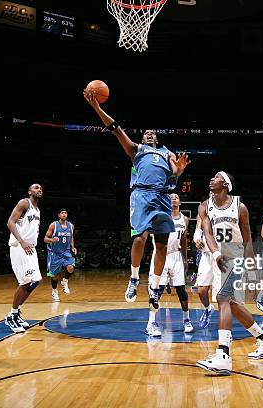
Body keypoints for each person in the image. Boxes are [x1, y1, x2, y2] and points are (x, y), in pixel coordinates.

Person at [84, 89, 190, 337]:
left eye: (153, 131)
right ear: (143, 138)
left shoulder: (167, 153)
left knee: (161, 246)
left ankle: (154, 287)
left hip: (162, 197)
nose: (150, 132)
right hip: (142, 196)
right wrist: (97, 108)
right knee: (140, 238)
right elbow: (115, 128)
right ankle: (133, 278)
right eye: (146, 132)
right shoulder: (136, 150)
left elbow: (174, 174)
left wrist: (180, 170)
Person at [196, 172, 263, 376]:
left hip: (235, 259)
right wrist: (215, 253)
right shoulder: (205, 205)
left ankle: (223, 355)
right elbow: (207, 232)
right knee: (231, 304)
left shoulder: (240, 207)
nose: (211, 179)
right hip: (218, 259)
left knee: (223, 299)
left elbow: (248, 240)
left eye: (215, 177)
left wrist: (252, 276)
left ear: (225, 183)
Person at [146, 193, 193, 335]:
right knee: (156, 292)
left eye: (176, 197)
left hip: (176, 256)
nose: (174, 198)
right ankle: (151, 323)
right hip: (161, 255)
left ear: (180, 202)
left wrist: (185, 259)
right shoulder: (158, 216)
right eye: (171, 197)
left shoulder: (184, 219)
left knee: (181, 290)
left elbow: (184, 240)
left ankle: (186, 320)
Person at [4, 183, 43, 333]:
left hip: (30, 248)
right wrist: (22, 241)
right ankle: (11, 316)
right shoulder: (24, 202)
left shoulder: (37, 209)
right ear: (29, 191)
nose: (39, 190)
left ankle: (16, 311)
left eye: (40, 188)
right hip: (19, 246)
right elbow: (10, 222)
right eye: (36, 188)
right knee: (25, 281)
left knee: (36, 281)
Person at [192, 191, 222, 329]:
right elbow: (198, 226)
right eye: (210, 192)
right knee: (202, 290)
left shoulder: (227, 209)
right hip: (206, 254)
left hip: (222, 255)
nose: (212, 194)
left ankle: (225, 328)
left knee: (222, 296)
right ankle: (208, 308)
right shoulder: (203, 208)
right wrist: (197, 238)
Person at [44, 209, 77, 302]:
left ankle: (65, 281)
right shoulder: (53, 225)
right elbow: (45, 239)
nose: (64, 214)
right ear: (59, 215)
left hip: (66, 252)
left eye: (65, 213)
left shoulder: (71, 226)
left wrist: (73, 247)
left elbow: (71, 237)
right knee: (54, 275)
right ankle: (54, 291)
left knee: (71, 267)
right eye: (62, 213)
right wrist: (52, 240)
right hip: (54, 253)